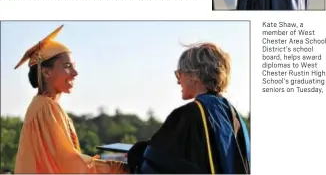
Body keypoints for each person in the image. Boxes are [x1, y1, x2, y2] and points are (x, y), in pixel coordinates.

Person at [14, 25, 129, 174]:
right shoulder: (46, 107)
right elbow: (69, 163)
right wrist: (119, 168)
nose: (75, 73)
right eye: (67, 66)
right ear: (46, 72)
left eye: (73, 66)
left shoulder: (41, 105)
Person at [127, 43, 250, 174]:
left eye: (179, 74)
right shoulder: (234, 116)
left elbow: (155, 165)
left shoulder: (189, 115)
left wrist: (135, 156)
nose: (178, 82)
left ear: (194, 75)